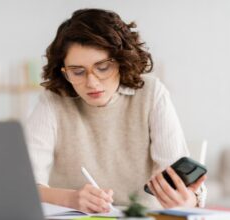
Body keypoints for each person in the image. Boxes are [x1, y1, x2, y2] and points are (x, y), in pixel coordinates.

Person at [26, 8, 206, 213]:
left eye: (103, 68)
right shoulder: (53, 100)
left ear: (121, 62)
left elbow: (179, 183)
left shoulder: (151, 93)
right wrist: (71, 199)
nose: (91, 83)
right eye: (77, 72)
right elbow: (24, 185)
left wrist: (187, 201)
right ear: (64, 71)